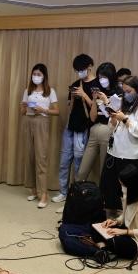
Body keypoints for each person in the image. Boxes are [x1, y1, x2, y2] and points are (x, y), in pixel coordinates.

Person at [58, 163, 138, 261]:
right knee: (96, 226)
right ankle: (102, 249)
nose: (122, 188)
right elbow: (125, 216)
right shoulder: (129, 196)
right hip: (127, 232)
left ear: (132, 186)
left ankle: (99, 248)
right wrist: (115, 221)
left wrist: (125, 232)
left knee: (115, 241)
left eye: (123, 185)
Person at [100, 75, 138, 212]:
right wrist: (114, 119)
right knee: (109, 187)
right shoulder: (124, 104)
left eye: (129, 91)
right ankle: (113, 213)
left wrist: (124, 119)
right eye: (124, 91)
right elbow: (113, 127)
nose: (126, 94)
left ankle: (127, 218)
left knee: (129, 192)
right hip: (115, 152)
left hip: (132, 156)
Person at [51, 54, 99, 203]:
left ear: (89, 67)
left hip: (84, 128)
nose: (79, 72)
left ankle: (75, 194)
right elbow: (70, 108)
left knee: (79, 164)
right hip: (70, 126)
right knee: (64, 162)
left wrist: (84, 95)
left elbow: (97, 109)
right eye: (77, 70)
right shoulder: (76, 83)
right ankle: (63, 192)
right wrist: (72, 97)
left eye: (81, 69)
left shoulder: (97, 85)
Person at [20, 63, 59, 208]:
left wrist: (43, 110)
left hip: (42, 122)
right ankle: (34, 190)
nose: (35, 76)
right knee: (30, 156)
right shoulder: (28, 90)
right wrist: (24, 106)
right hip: (28, 121)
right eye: (34, 74)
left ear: (44, 76)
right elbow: (22, 111)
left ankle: (44, 194)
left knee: (41, 158)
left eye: (39, 74)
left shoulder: (50, 91)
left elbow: (57, 111)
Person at [76, 62, 118, 182]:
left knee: (104, 171)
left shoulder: (118, 92)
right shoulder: (99, 90)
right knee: (82, 170)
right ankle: (77, 190)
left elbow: (115, 117)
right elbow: (92, 117)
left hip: (109, 130)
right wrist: (94, 99)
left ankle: (103, 193)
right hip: (94, 130)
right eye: (100, 77)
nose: (101, 80)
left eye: (104, 77)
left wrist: (105, 101)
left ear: (111, 77)